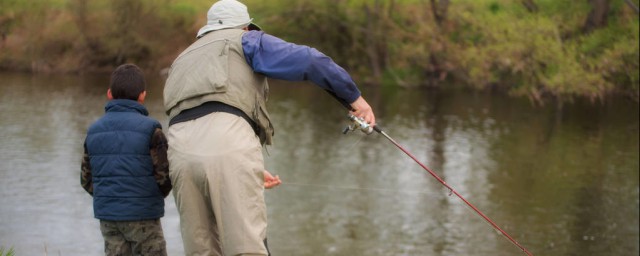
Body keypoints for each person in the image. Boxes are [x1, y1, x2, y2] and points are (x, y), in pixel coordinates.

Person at [163, 0, 376, 255]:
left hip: (178, 154)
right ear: (245, 26)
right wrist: (356, 100)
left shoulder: (183, 57)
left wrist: (248, 166)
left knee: (201, 250)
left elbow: (199, 119)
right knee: (246, 247)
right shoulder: (246, 40)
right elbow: (311, 61)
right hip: (228, 147)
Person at [81, 63, 172, 256]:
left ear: (109, 94)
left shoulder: (93, 131)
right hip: (144, 215)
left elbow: (86, 180)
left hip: (109, 217)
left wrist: (109, 195)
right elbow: (165, 178)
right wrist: (147, 197)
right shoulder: (152, 130)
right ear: (143, 95)